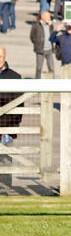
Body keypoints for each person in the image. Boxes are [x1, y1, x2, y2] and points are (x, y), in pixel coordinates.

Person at [0, 45, 22, 190]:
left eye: (0, 57)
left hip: (5, 128)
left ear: (5, 57)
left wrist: (8, 129)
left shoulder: (15, 77)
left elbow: (19, 108)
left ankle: (4, 191)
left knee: (5, 162)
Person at [30, 11, 55, 79]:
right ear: (42, 17)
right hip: (40, 50)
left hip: (49, 50)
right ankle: (38, 82)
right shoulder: (36, 25)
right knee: (39, 69)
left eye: (49, 17)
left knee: (51, 68)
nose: (49, 18)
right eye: (47, 17)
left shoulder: (51, 25)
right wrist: (37, 44)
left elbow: (52, 35)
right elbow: (32, 36)